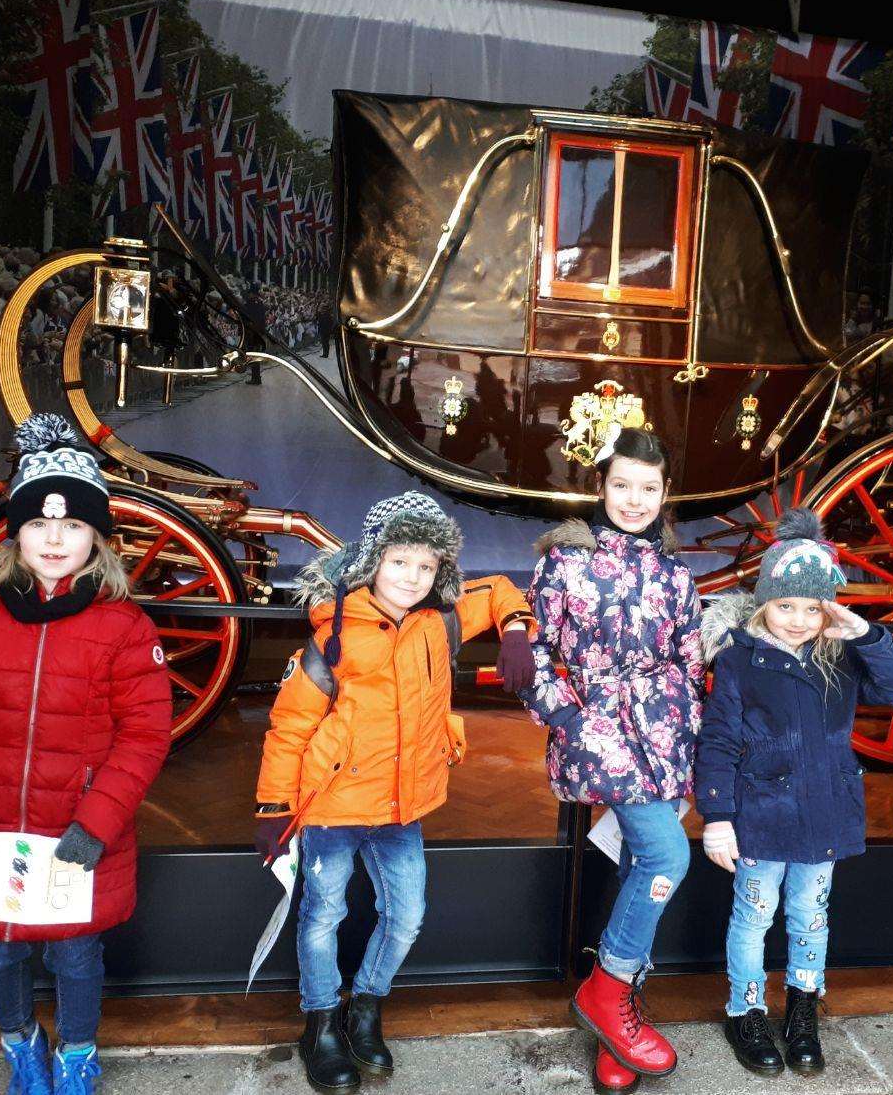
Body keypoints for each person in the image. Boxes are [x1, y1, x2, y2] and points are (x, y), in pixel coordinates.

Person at [0, 413, 172, 1095]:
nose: (54, 539)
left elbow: (143, 735)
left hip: (76, 830)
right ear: (15, 533)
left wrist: (98, 821)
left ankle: (77, 1053)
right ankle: (20, 1044)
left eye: (74, 525)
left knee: (77, 954)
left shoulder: (124, 626)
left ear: (97, 538)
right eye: (38, 524)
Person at [253, 491, 536, 1092]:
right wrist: (274, 807)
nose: (412, 576)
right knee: (322, 914)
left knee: (405, 917)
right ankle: (321, 1021)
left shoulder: (444, 618)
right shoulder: (336, 634)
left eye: (427, 565)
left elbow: (504, 592)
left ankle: (366, 1007)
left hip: (404, 804)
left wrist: (515, 631)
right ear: (374, 560)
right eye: (400, 561)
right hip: (333, 804)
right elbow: (290, 726)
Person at [694, 509, 893, 1075]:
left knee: (810, 916)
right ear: (764, 599)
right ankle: (745, 1009)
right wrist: (717, 816)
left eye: (811, 608)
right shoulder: (741, 659)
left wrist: (865, 633)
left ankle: (802, 1009)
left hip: (823, 812)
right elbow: (717, 740)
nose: (796, 620)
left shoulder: (841, 655)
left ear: (829, 609)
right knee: (753, 915)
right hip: (761, 816)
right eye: (785, 605)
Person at [519, 428, 704, 1094]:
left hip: (665, 736)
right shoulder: (565, 565)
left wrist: (690, 740)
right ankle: (607, 994)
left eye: (647, 488)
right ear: (600, 485)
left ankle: (613, 1029)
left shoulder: (675, 575)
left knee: (634, 864)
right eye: (621, 485)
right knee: (666, 858)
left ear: (664, 494)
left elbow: (688, 662)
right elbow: (537, 654)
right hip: (600, 729)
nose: (633, 499)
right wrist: (571, 718)